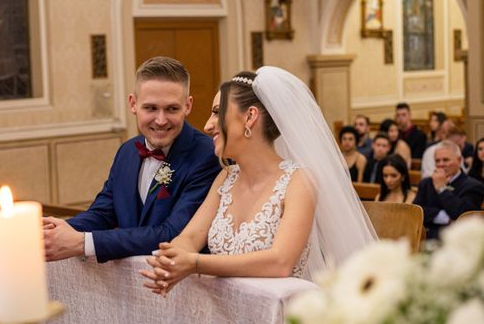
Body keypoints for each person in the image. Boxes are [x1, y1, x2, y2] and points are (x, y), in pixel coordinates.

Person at [140, 68, 377, 295]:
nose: (207, 125)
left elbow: (280, 261)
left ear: (250, 117)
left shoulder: (299, 182)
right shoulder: (226, 177)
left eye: (216, 112)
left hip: (280, 320)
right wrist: (171, 260)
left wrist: (196, 263)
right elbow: (191, 237)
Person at [42, 56, 221, 263]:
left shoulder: (207, 155)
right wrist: (53, 231)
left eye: (171, 109)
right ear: (133, 104)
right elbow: (103, 213)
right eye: (151, 108)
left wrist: (83, 242)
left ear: (187, 106)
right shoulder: (127, 152)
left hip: (182, 285)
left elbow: (172, 235)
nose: (161, 120)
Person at [413, 140, 484, 240]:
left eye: (446, 160)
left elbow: (462, 216)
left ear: (459, 160)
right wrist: (443, 217)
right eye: (437, 161)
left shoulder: (474, 186)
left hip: (458, 240)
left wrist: (442, 189)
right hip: (427, 238)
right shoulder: (426, 183)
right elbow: (416, 212)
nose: (441, 164)